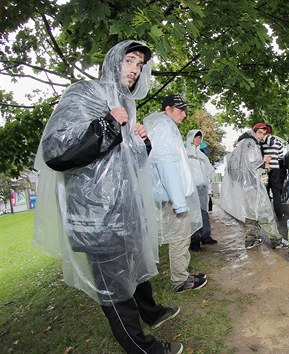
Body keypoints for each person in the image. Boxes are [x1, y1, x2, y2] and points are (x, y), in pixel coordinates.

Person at [32, 40, 184, 354]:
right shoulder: (85, 93)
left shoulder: (125, 103)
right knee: (114, 288)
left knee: (137, 267)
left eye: (140, 65)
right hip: (96, 220)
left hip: (125, 211)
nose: (135, 70)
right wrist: (108, 124)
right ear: (114, 62)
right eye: (130, 61)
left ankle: (152, 313)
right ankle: (143, 348)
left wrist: (143, 142)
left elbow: (130, 165)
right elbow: (56, 151)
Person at [144, 94, 207, 293]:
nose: (184, 114)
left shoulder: (164, 126)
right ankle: (180, 280)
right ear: (168, 109)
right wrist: (179, 203)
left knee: (181, 236)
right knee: (179, 237)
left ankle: (183, 274)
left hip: (170, 195)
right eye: (180, 109)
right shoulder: (164, 128)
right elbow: (167, 165)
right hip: (173, 197)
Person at [220, 123, 286, 249]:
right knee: (265, 212)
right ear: (254, 131)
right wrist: (263, 162)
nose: (262, 136)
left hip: (245, 186)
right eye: (260, 133)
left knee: (251, 213)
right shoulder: (250, 143)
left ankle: (250, 240)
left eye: (264, 133)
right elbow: (250, 164)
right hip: (252, 184)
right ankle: (276, 241)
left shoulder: (242, 143)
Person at [185, 129, 217, 251]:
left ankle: (205, 236)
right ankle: (194, 240)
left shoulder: (202, 155)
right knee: (193, 213)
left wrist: (207, 180)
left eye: (199, 137)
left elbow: (209, 170)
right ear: (190, 138)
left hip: (202, 187)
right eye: (196, 137)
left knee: (203, 212)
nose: (198, 139)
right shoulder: (185, 152)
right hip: (191, 187)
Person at [261, 124, 286, 219]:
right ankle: (279, 215)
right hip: (275, 169)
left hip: (264, 169)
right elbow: (280, 157)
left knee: (264, 191)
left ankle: (266, 215)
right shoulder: (278, 142)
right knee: (276, 193)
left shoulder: (261, 142)